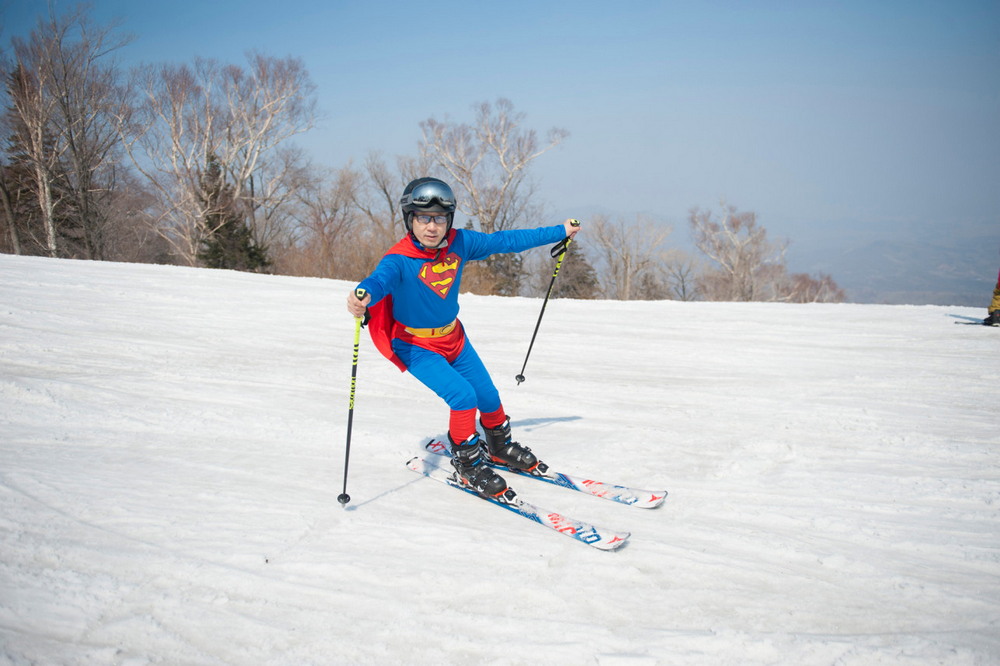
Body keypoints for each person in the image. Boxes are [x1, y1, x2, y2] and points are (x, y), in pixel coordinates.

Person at [346, 177, 580, 499]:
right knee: (463, 397)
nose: (432, 227)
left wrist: (559, 232)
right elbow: (377, 281)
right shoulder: (398, 260)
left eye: (439, 218)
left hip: (453, 338)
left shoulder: (460, 243)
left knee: (487, 394)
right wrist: (361, 297)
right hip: (415, 345)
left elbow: (506, 241)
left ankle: (500, 447)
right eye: (423, 218)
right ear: (410, 220)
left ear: (449, 220)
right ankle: (468, 464)